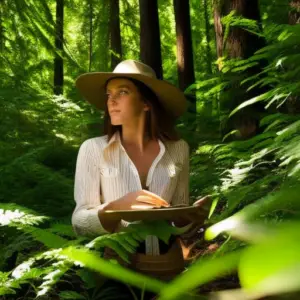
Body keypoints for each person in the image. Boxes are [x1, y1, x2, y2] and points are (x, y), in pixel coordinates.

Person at [72, 60, 206, 299]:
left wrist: (188, 218)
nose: (111, 101)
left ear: (146, 102)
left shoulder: (178, 149)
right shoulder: (92, 149)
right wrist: (116, 208)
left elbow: (178, 220)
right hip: (116, 270)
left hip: (169, 268)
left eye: (122, 92)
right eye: (109, 94)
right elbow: (79, 222)